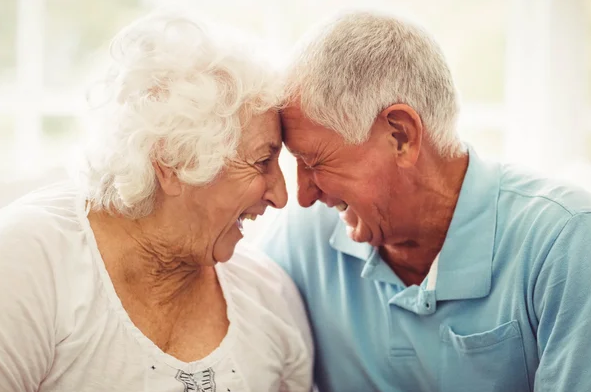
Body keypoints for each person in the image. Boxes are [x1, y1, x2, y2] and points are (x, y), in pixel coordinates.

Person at [258, 10, 591, 392]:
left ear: (400, 135)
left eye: (313, 162)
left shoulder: (567, 241)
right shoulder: (302, 239)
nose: (302, 196)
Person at [0, 10, 312, 392]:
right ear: (172, 162)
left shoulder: (269, 299)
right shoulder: (29, 261)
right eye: (262, 161)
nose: (281, 195)